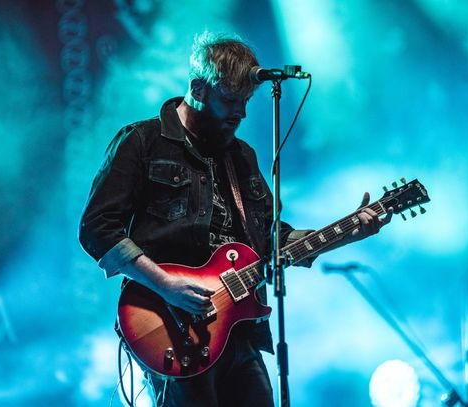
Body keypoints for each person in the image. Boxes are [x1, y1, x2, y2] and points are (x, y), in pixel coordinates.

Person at [78, 31, 392, 407]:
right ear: (198, 88)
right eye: (230, 100)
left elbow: (273, 241)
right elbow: (97, 228)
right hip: (171, 327)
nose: (240, 113)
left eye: (245, 102)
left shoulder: (241, 156)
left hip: (239, 330)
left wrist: (347, 233)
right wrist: (166, 285)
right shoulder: (143, 142)